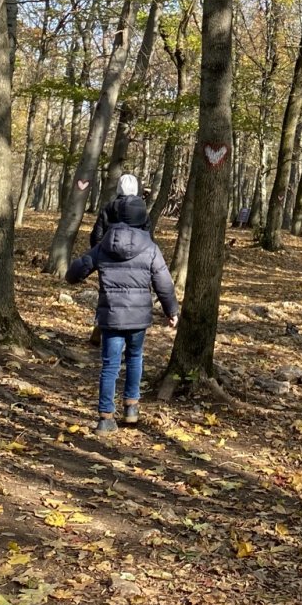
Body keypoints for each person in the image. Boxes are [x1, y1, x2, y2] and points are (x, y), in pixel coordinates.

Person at [65, 173, 178, 436]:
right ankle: (131, 408)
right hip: (139, 316)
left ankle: (105, 418)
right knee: (135, 357)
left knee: (110, 365)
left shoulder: (104, 246)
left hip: (112, 315)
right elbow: (163, 281)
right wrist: (171, 310)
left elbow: (76, 271)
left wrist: (73, 277)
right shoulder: (150, 247)